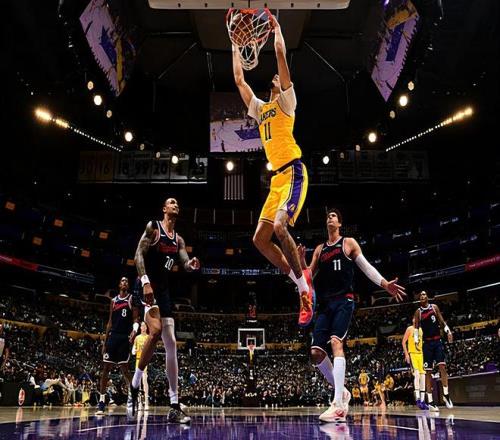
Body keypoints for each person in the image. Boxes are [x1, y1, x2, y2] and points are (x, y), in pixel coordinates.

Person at [231, 13, 314, 327]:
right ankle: (299, 280)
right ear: (271, 88)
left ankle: (304, 291)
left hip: (293, 172)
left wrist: (278, 29)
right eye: (276, 80)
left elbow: (280, 53)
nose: (279, 79)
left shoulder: (287, 104)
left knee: (280, 226)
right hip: (277, 180)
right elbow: (239, 81)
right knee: (259, 239)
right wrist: (235, 44)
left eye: (282, 80)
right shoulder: (261, 108)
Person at [299, 208, 406, 422]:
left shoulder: (348, 243)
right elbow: (308, 276)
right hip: (325, 304)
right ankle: (344, 393)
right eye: (327, 216)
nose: (329, 218)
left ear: (339, 223)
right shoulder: (320, 249)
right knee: (316, 353)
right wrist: (302, 261)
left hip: (344, 300)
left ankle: (338, 404)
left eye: (333, 216)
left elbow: (366, 267)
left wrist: (385, 284)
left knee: (336, 342)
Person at [131, 197, 200, 423]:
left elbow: (184, 262)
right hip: (146, 286)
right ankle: (136, 380)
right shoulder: (153, 228)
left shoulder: (178, 240)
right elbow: (138, 255)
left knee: (171, 343)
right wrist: (145, 282)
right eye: (171, 202)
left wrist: (191, 265)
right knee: (157, 330)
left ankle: (174, 404)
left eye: (177, 203)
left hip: (163, 292)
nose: (175, 204)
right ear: (164, 208)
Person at [97, 277, 140, 415]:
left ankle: (134, 397)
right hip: (113, 337)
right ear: (119, 284)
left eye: (127, 281)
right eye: (122, 281)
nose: (124, 282)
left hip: (124, 337)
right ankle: (102, 402)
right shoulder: (114, 301)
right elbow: (110, 322)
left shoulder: (131, 299)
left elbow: (136, 318)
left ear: (128, 285)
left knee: (125, 370)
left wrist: (134, 330)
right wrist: (105, 341)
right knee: (105, 369)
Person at [414, 291, 453, 410]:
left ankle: (446, 394)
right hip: (427, 344)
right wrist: (416, 340)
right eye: (420, 295)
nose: (422, 296)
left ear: (427, 297)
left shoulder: (434, 307)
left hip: (437, 341)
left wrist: (448, 331)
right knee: (428, 372)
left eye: (424, 294)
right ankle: (430, 401)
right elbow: (416, 328)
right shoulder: (418, 312)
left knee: (442, 367)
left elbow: (442, 321)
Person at [402, 317, 428, 409]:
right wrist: (406, 354)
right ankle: (418, 399)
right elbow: (403, 342)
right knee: (416, 375)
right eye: (414, 318)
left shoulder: (421, 330)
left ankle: (423, 400)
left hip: (421, 355)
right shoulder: (409, 329)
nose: (415, 319)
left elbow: (423, 343)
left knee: (423, 376)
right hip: (412, 354)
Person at [132, 322, 150, 410]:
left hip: (145, 361)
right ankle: (139, 403)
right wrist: (135, 351)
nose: (143, 327)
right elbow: (133, 351)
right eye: (142, 326)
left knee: (144, 381)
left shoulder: (148, 337)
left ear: (146, 327)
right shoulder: (137, 338)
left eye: (144, 326)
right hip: (138, 360)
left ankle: (146, 402)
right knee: (138, 382)